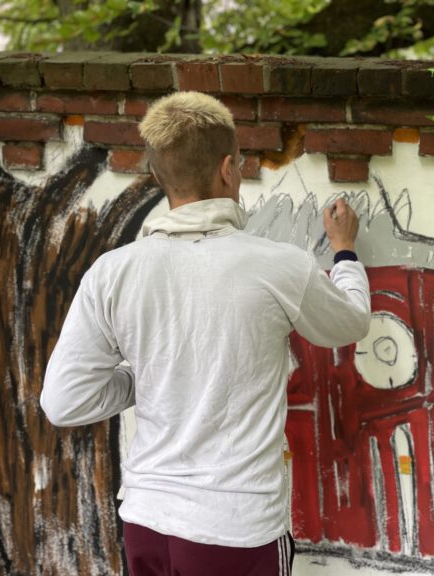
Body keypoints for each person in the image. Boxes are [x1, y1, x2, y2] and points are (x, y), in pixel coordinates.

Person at [40, 91, 371, 576]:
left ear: (158, 175)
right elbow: (352, 321)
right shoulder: (277, 266)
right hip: (236, 530)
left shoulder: (112, 273)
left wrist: (139, 381)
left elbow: (63, 402)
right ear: (228, 169)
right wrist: (344, 252)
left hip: (146, 524)